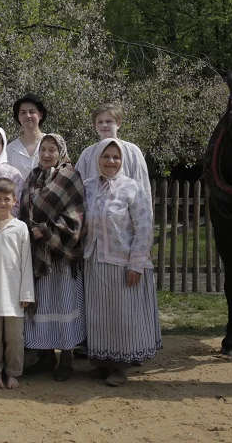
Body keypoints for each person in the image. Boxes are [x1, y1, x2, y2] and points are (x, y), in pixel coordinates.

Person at [82, 139, 160, 387]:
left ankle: (121, 366)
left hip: (122, 262)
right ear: (98, 160)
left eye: (116, 157)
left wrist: (136, 263)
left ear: (122, 161)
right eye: (106, 156)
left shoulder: (131, 188)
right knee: (98, 316)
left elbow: (144, 228)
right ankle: (102, 362)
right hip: (94, 261)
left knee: (121, 316)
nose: (111, 161)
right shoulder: (87, 186)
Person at [20, 133, 87, 381]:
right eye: (43, 149)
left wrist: (48, 232)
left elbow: (76, 216)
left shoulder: (70, 177)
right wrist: (30, 230)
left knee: (64, 305)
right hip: (38, 256)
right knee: (44, 306)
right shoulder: (32, 177)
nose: (47, 154)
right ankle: (47, 356)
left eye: (52, 150)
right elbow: (23, 211)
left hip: (61, 258)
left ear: (61, 152)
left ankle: (66, 360)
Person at [0, 178, 34, 390]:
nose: (3, 203)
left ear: (15, 201)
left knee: (14, 337)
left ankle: (13, 373)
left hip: (14, 293)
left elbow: (26, 261)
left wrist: (27, 293)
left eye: (7, 199)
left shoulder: (20, 228)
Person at [75, 102, 151, 205]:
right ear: (95, 126)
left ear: (118, 123)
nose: (104, 125)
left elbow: (142, 188)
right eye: (100, 122)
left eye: (109, 121)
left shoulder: (133, 151)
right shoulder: (87, 154)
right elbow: (77, 188)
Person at [7, 95, 46, 179]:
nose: (28, 115)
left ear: (40, 115)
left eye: (32, 112)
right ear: (18, 117)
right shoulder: (10, 149)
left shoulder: (52, 143)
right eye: (23, 112)